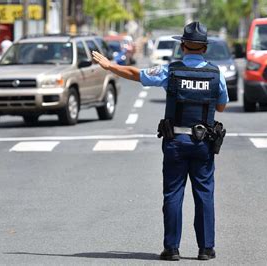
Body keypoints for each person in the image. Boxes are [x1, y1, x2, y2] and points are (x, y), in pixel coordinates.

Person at [92, 21, 228, 261]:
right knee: (204, 194)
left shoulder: (171, 71)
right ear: (204, 49)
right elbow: (221, 106)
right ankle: (206, 248)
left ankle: (172, 248)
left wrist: (110, 65)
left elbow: (138, 75)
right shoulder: (216, 74)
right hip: (203, 144)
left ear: (183, 46)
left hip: (175, 141)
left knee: (174, 193)